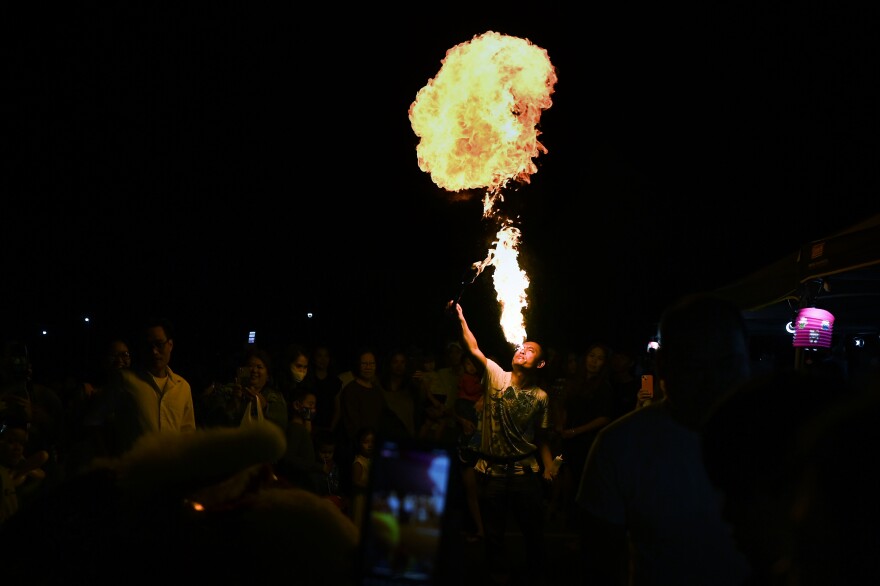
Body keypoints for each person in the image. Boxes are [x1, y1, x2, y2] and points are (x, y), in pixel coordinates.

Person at [575, 292, 752, 586]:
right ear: (662, 365)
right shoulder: (619, 445)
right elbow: (599, 562)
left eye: (726, 362)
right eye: (695, 365)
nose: (712, 380)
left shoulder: (784, 435)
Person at [448, 299, 556, 586]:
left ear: (540, 363)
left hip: (524, 474)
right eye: (522, 347)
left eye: (530, 350)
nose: (522, 350)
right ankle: (499, 577)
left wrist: (548, 468)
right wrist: (460, 316)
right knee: (493, 536)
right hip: (491, 474)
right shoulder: (496, 374)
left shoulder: (542, 398)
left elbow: (542, 439)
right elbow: (472, 347)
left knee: (533, 533)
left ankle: (536, 577)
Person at [98, 317, 196, 457]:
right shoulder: (125, 380)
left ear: (170, 345)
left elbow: (188, 435)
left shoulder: (183, 387)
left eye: (159, 344)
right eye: (148, 346)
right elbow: (95, 421)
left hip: (171, 472)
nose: (154, 351)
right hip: (134, 472)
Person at [555, 342, 614, 528]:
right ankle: (567, 517)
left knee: (583, 482)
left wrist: (575, 431)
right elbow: (566, 407)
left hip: (588, 441)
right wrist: (561, 425)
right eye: (591, 356)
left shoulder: (604, 387)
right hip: (569, 439)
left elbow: (604, 418)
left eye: (599, 358)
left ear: (605, 363)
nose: (594, 361)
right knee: (567, 478)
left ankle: (581, 527)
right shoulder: (575, 382)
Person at [200, 345, 288, 433]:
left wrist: (265, 407)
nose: (254, 370)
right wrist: (233, 403)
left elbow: (281, 426)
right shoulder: (228, 391)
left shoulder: (274, 398)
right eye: (250, 366)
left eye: (259, 367)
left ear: (268, 376)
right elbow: (212, 423)